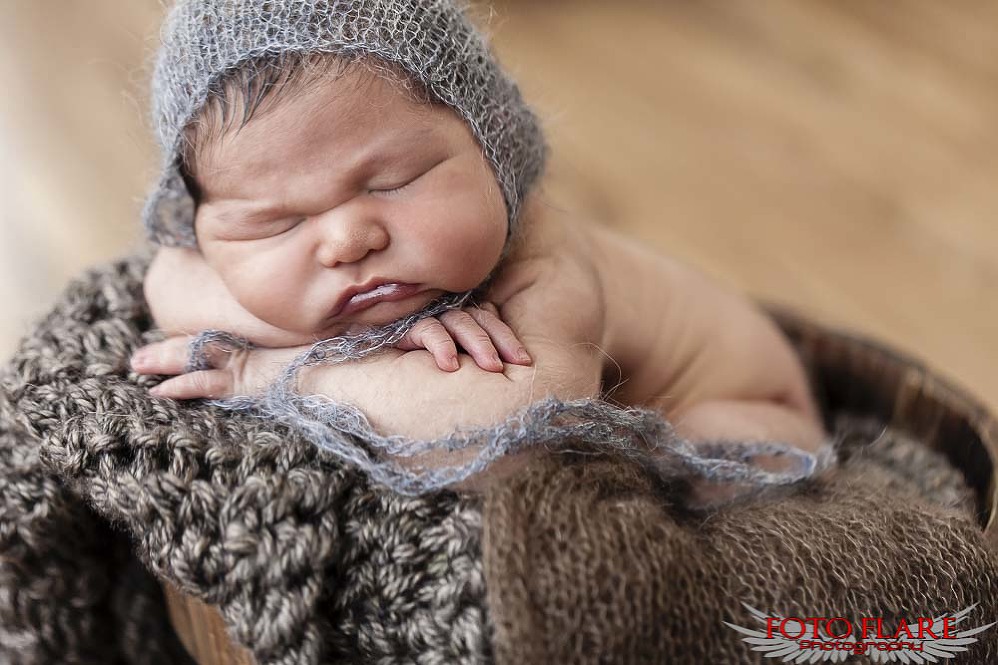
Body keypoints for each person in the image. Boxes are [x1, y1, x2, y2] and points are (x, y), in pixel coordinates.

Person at [130, 0, 827, 492]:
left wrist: (288, 373)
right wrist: (372, 348)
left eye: (395, 181)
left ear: (492, 142)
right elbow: (169, 277)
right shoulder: (220, 246)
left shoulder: (541, 261)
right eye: (277, 224)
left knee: (682, 490)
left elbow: (516, 440)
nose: (346, 239)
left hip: (738, 405)